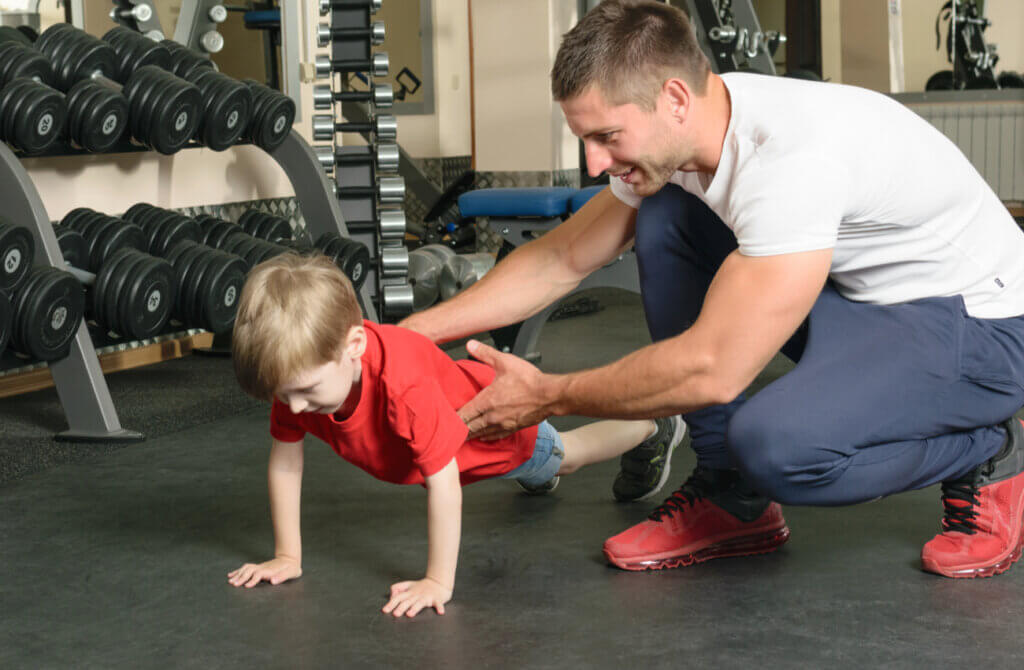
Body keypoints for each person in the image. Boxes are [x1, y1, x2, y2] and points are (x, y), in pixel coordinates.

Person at [399, 0, 1024, 578]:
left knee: (775, 448)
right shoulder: (700, 123)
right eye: (584, 138)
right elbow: (561, 257)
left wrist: (548, 396)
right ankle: (732, 496)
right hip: (874, 305)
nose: (592, 163)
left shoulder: (790, 162)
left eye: (607, 137)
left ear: (673, 97)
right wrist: (402, 335)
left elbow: (714, 371)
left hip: (984, 329)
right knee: (665, 209)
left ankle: (989, 447)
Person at [225, 253, 685, 617]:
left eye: (305, 392)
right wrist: (287, 555)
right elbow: (286, 460)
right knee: (537, 469)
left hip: (491, 430)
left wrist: (437, 582)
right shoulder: (299, 383)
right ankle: (545, 473)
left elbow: (443, 483)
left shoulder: (403, 391)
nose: (296, 408)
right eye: (283, 396)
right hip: (444, 443)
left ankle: (652, 424)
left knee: (565, 453)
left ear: (354, 347)